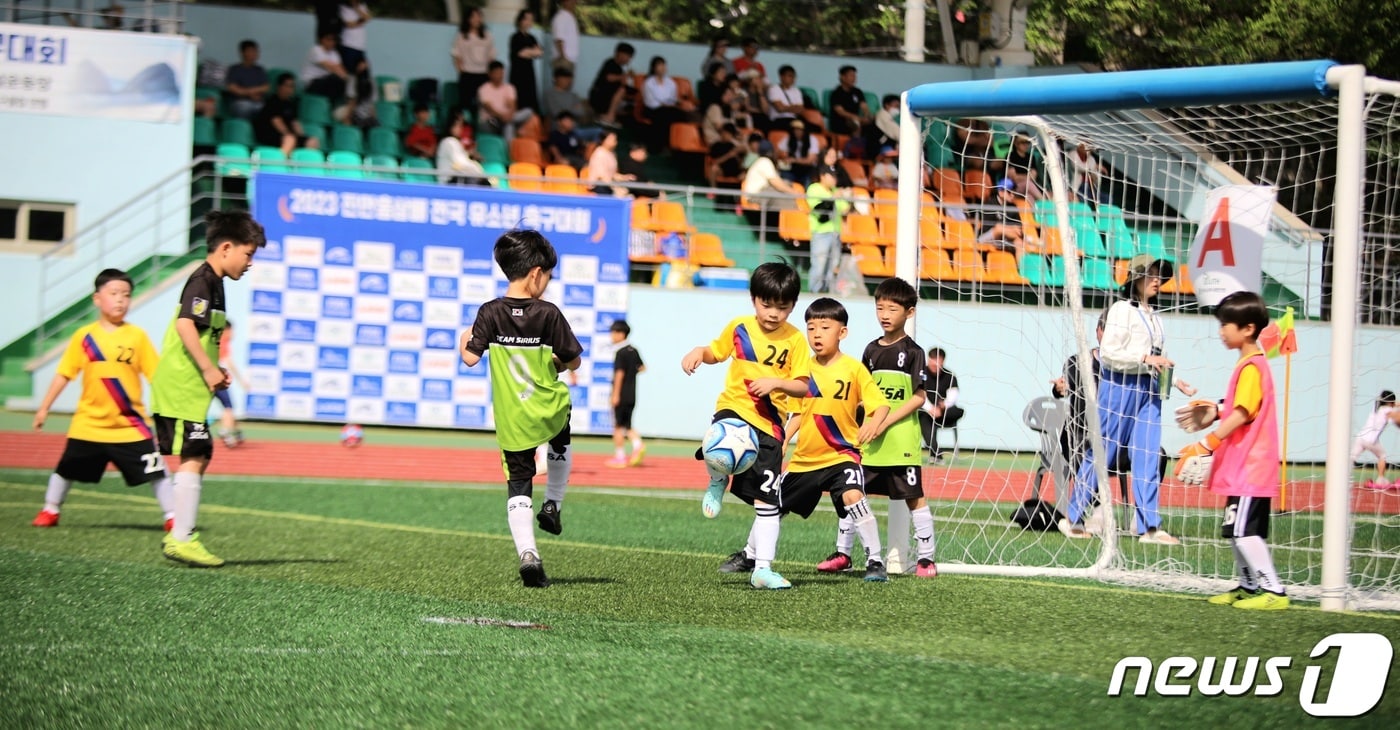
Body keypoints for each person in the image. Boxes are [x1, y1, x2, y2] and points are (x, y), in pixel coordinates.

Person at [459, 230, 583, 588]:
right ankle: (554, 504)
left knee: (518, 483)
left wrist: (462, 337)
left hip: (512, 418)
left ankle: (529, 555)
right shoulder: (549, 314)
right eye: (549, 276)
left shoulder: (489, 313)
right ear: (536, 274)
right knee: (560, 437)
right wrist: (557, 364)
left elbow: (469, 358)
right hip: (546, 408)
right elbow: (572, 362)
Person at [739, 297, 890, 588]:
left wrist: (874, 422)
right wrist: (784, 439)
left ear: (842, 332)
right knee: (772, 505)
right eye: (811, 328)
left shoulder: (854, 369)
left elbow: (879, 405)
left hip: (841, 454)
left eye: (824, 327)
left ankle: (875, 559)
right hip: (805, 460)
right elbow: (798, 411)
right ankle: (749, 554)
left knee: (853, 496)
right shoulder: (803, 370)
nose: (817, 334)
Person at [680, 263, 811, 573]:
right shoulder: (739, 327)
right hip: (734, 407)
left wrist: (776, 383)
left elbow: (803, 386)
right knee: (718, 442)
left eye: (783, 307)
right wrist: (700, 351)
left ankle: (762, 568)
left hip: (770, 424)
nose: (773, 313)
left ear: (792, 306)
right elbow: (717, 352)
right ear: (754, 300)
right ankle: (717, 480)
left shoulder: (795, 341)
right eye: (767, 304)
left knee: (767, 499)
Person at [152, 210, 265, 567]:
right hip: (180, 387)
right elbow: (186, 325)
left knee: (199, 454)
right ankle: (181, 538)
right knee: (196, 452)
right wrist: (206, 368)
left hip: (191, 388)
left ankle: (182, 535)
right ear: (227, 248)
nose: (249, 264)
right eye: (248, 255)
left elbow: (202, 334)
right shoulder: (202, 280)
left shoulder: (216, 283)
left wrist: (214, 369)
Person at [1060, 254, 1193, 544]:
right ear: (1135, 278)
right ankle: (1072, 516)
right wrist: (1145, 358)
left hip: (1150, 390)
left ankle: (1149, 527)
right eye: (1151, 274)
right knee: (1103, 451)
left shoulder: (1155, 317)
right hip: (1119, 386)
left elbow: (1155, 358)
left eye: (1160, 275)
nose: (1157, 280)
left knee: (1147, 455)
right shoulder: (1120, 310)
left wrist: (1174, 378)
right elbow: (1108, 353)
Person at [30, 269, 175, 532]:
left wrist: (171, 408)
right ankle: (50, 510)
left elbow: (157, 377)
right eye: (114, 294)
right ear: (97, 299)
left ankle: (173, 515)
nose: (120, 300)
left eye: (126, 295)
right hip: (89, 424)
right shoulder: (84, 336)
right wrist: (43, 408)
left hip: (130, 426)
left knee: (157, 470)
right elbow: (64, 374)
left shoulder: (137, 336)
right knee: (66, 469)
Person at [1173, 291, 1289, 610]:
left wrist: (1207, 443)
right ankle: (1248, 586)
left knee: (1246, 533)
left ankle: (1274, 592)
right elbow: (1237, 405)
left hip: (1252, 467)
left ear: (1248, 328)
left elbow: (1243, 412)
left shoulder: (1253, 365)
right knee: (1235, 531)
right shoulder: (1247, 365)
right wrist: (1214, 408)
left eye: (1226, 325)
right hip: (1242, 469)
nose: (1222, 331)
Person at [819, 278, 939, 578]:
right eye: (880, 307)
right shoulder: (871, 351)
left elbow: (919, 397)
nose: (884, 314)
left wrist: (883, 420)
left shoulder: (913, 352)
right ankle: (843, 553)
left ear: (908, 313)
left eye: (892, 308)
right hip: (870, 440)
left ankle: (926, 559)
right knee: (852, 491)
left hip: (901, 441)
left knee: (914, 496)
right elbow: (861, 394)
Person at [605, 320, 646, 468]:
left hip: (621, 394)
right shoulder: (633, 350)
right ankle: (637, 444)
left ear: (621, 334)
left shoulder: (620, 353)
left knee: (617, 426)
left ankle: (620, 456)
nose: (612, 336)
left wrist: (615, 395)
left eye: (614, 332)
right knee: (627, 425)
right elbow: (642, 367)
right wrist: (632, 373)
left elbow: (619, 374)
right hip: (632, 393)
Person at [806, 164, 849, 294]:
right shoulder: (814, 189)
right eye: (831, 176)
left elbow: (845, 209)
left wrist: (847, 196)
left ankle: (827, 293)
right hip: (821, 232)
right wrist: (834, 197)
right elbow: (817, 208)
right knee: (819, 264)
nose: (834, 179)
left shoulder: (835, 190)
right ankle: (814, 292)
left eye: (835, 176)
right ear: (823, 176)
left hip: (835, 233)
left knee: (833, 265)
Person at [254, 74, 319, 157]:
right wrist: (288, 134)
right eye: (287, 86)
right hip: (270, 135)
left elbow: (295, 122)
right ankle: (280, 164)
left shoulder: (290, 104)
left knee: (312, 141)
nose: (289, 89)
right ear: (279, 86)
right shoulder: (272, 101)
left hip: (288, 135)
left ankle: (304, 166)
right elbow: (277, 121)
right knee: (290, 140)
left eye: (292, 86)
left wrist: (301, 137)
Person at [919, 347, 964, 465]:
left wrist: (942, 406)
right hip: (927, 412)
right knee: (923, 417)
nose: (934, 363)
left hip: (944, 413)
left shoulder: (949, 376)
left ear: (943, 361)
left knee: (959, 411)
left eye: (937, 360)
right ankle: (936, 453)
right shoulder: (921, 374)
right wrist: (930, 409)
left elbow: (953, 395)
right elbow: (919, 394)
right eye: (932, 360)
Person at [478, 60, 535, 143]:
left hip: (508, 118)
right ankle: (510, 152)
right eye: (496, 73)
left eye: (501, 73)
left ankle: (509, 152)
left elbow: (513, 105)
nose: (500, 75)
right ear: (490, 74)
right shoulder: (484, 89)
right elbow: (488, 107)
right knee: (509, 125)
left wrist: (509, 115)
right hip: (492, 120)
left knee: (528, 112)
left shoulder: (509, 88)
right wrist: (502, 116)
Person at [451, 7, 495, 115]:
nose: (477, 19)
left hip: (483, 74)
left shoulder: (487, 35)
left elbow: (491, 55)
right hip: (467, 74)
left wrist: (489, 73)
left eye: (479, 16)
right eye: (473, 17)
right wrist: (461, 71)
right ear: (468, 19)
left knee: (483, 105)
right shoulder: (461, 36)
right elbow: (456, 55)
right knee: (465, 105)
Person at [1353, 390, 1400, 489]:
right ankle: (1381, 479)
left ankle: (1340, 476)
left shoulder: (1377, 406)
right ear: (1390, 402)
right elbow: (1396, 419)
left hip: (1361, 437)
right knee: (1382, 455)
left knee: (1351, 458)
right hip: (1371, 440)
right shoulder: (1388, 410)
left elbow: (1394, 404)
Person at [640, 56, 687, 152]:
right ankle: (658, 146)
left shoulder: (671, 82)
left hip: (669, 108)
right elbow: (649, 101)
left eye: (664, 65)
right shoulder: (648, 83)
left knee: (679, 115)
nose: (662, 68)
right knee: (664, 115)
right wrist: (664, 105)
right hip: (652, 109)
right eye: (659, 65)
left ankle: (675, 145)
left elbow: (673, 98)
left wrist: (676, 103)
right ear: (654, 68)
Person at [213, 319, 247, 449]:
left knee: (228, 407)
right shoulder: (223, 342)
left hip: (207, 378)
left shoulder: (212, 340)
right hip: (217, 378)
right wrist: (241, 380)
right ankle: (226, 431)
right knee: (228, 407)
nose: (233, 334)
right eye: (232, 330)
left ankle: (237, 433)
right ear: (226, 330)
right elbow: (229, 362)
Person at [977, 178, 1033, 254]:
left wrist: (1010, 230)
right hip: (986, 238)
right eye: (1009, 192)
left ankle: (1022, 265)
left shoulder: (1013, 207)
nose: (1013, 195)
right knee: (999, 228)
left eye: (1014, 192)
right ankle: (1028, 240)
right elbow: (991, 228)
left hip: (1006, 239)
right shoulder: (989, 204)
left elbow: (1018, 229)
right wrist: (1010, 228)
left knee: (1018, 242)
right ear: (1001, 192)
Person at [588, 42, 634, 129]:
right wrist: (624, 76)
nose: (628, 59)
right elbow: (609, 77)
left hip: (608, 97)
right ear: (620, 53)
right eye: (628, 56)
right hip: (599, 96)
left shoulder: (620, 68)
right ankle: (609, 117)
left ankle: (606, 116)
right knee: (622, 91)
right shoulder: (610, 63)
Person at [436, 111, 490, 185]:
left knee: (484, 182)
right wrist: (477, 169)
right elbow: (460, 163)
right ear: (451, 127)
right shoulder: (449, 141)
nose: (460, 129)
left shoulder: (455, 142)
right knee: (479, 181)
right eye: (458, 126)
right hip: (448, 181)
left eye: (461, 126)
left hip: (458, 178)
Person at [301, 28, 350, 102]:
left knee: (345, 84)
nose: (332, 42)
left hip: (326, 83)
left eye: (333, 40)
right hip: (312, 84)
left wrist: (349, 81)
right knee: (334, 79)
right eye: (329, 39)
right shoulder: (316, 50)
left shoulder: (334, 53)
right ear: (322, 39)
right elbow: (332, 67)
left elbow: (341, 69)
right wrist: (347, 79)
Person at [224, 40, 269, 120]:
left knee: (268, 109)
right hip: (239, 102)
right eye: (251, 51)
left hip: (258, 102)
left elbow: (265, 87)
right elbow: (233, 88)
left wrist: (249, 92)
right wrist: (251, 94)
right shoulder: (234, 69)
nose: (254, 54)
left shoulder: (260, 70)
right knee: (244, 107)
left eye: (255, 51)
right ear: (242, 53)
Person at [509, 9, 543, 113]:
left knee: (531, 98)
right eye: (526, 19)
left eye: (531, 20)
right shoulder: (515, 37)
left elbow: (540, 53)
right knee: (518, 99)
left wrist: (529, 52)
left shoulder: (532, 38)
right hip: (517, 73)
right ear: (520, 20)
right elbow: (520, 53)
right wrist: (531, 52)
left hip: (529, 73)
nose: (528, 22)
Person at [829, 65, 872, 147]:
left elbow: (864, 107)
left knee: (872, 124)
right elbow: (841, 112)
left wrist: (867, 116)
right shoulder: (836, 93)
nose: (854, 78)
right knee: (855, 123)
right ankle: (855, 150)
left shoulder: (857, 92)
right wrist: (858, 118)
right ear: (842, 77)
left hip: (857, 119)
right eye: (851, 76)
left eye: (855, 76)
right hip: (841, 121)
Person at [779, 119, 821, 187]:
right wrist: (784, 157)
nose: (797, 132)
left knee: (809, 179)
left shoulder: (812, 139)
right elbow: (781, 153)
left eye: (799, 129)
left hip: (807, 170)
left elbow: (810, 160)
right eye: (795, 129)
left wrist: (794, 160)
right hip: (792, 169)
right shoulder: (788, 139)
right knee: (784, 176)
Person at [336, 1, 371, 80]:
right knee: (349, 71)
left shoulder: (362, 5)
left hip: (360, 46)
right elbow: (349, 24)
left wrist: (357, 8)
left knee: (363, 71)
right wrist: (362, 21)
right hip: (348, 44)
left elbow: (367, 17)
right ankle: (347, 90)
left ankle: (361, 91)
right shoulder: (343, 8)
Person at [1005, 133, 1044, 201]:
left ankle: (1037, 211)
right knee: (1028, 184)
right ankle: (1045, 202)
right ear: (1015, 143)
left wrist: (1020, 176)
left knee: (1029, 195)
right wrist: (1028, 177)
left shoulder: (1031, 157)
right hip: (1015, 189)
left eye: (1027, 142)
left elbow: (1033, 177)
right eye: (1023, 142)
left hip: (1029, 188)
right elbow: (1014, 178)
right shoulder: (1010, 156)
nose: (1026, 145)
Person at [707, 122, 744, 190]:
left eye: (730, 134)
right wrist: (728, 155)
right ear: (722, 133)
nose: (727, 136)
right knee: (714, 168)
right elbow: (715, 162)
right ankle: (713, 191)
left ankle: (743, 196)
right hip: (722, 170)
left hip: (735, 170)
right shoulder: (716, 146)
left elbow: (741, 164)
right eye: (726, 133)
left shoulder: (734, 146)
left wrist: (739, 154)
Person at [766, 65, 803, 131]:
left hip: (793, 119)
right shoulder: (774, 89)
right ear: (781, 77)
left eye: (794, 76)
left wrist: (786, 107)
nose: (792, 79)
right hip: (778, 120)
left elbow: (800, 110)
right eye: (790, 76)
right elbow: (780, 108)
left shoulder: (796, 91)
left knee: (815, 128)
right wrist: (793, 107)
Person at [549, 0, 579, 75]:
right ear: (564, 2)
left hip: (570, 60)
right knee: (561, 85)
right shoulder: (561, 17)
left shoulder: (570, 17)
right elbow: (559, 39)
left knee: (566, 86)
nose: (574, 3)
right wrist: (563, 58)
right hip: (563, 60)